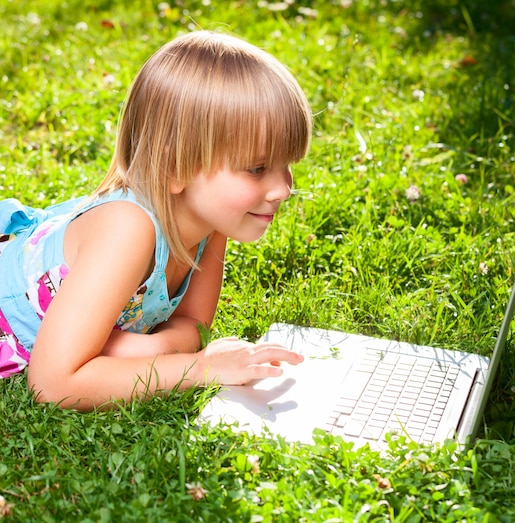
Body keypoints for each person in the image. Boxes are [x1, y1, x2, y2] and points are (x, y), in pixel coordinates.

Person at [0, 30, 312, 411]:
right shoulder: (127, 230)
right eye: (258, 168)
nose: (282, 188)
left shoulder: (210, 224)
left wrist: (150, 347)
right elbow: (54, 383)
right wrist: (199, 369)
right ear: (175, 166)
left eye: (287, 165)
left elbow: (195, 325)